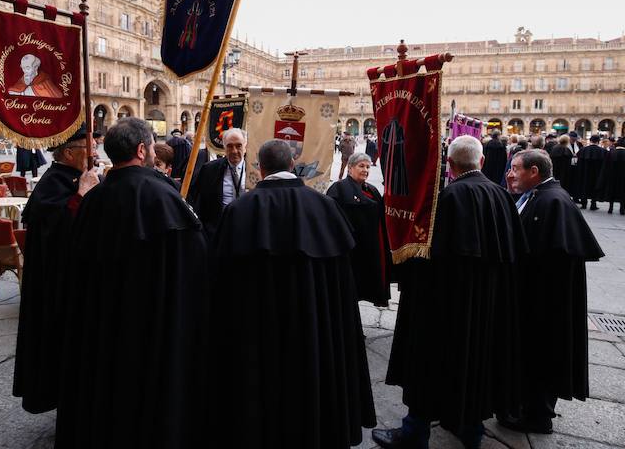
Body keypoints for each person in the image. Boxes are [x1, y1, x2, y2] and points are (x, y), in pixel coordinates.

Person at [209, 140, 375, 447]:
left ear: (261, 169)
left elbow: (223, 284)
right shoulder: (325, 207)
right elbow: (342, 285)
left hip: (259, 339)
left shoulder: (238, 211)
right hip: (315, 333)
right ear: (292, 165)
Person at [55, 118, 210, 447]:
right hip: (152, 329)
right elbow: (193, 265)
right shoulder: (164, 197)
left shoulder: (93, 199)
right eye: (152, 146)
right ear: (142, 150)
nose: (153, 151)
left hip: (103, 327)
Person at [374, 136, 525, 449]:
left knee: (429, 364)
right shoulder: (501, 196)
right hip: (487, 305)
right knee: (476, 364)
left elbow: (427, 258)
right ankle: (470, 429)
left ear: (451, 165)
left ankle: (415, 433)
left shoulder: (447, 198)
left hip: (446, 306)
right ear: (481, 161)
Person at [502, 149, 604, 434]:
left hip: (545, 302)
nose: (510, 173)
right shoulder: (541, 195)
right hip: (538, 296)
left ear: (534, 171)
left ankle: (537, 416)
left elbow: (546, 255)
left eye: (516, 168)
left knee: (542, 354)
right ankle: (527, 406)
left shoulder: (552, 201)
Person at [13, 127, 100, 414]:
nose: (94, 154)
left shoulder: (75, 176)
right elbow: (60, 227)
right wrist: (83, 193)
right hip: (55, 282)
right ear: (69, 153)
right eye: (89, 149)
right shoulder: (53, 182)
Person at [326, 152, 392, 306]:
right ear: (350, 168)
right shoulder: (338, 189)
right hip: (351, 248)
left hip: (370, 248)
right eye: (361, 166)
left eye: (368, 167)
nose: (365, 170)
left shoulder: (372, 190)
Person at [187, 127, 247, 239]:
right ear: (224, 147)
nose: (234, 151)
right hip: (218, 233)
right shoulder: (210, 170)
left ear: (245, 146)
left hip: (246, 231)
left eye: (238, 146)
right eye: (230, 146)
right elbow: (200, 202)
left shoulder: (255, 170)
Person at [596, 137, 625, 215]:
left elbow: (605, 168)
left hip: (611, 177)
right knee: (623, 191)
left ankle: (610, 208)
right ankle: (622, 208)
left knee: (612, 191)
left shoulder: (609, 154)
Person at [576, 135, 606, 210]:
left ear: (590, 140)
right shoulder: (602, 151)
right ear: (598, 141)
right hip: (597, 173)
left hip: (584, 173)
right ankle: (593, 204)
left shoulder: (583, 150)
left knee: (584, 186)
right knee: (595, 187)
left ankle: (584, 204)